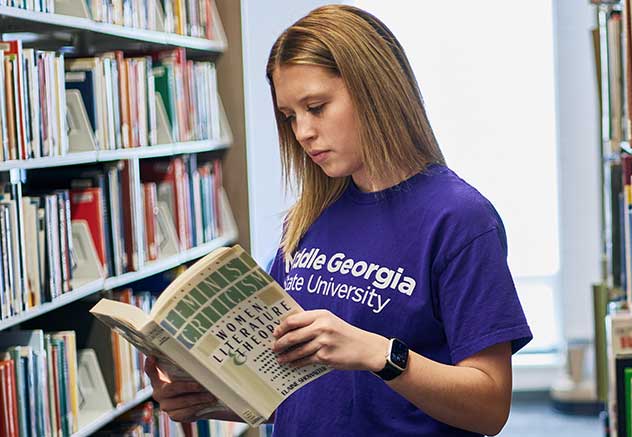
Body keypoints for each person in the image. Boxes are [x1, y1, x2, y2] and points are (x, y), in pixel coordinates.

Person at [143, 5, 533, 436]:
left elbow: (490, 406)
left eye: (316, 107)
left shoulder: (458, 218)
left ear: (376, 91)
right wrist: (209, 400)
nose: (302, 132)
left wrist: (378, 354)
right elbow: (304, 398)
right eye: (290, 116)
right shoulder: (309, 218)